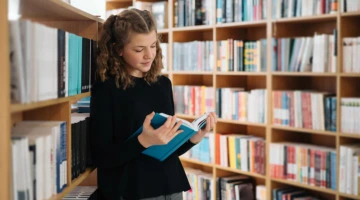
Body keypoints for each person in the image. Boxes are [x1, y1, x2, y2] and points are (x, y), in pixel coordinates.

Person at [90, 8, 217, 200]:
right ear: (118, 49)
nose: (149, 55)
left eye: (153, 46)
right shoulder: (106, 89)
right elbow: (102, 156)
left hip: (171, 186)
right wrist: (142, 141)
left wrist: (194, 138)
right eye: (139, 49)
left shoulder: (162, 84)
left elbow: (167, 148)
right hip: (133, 189)